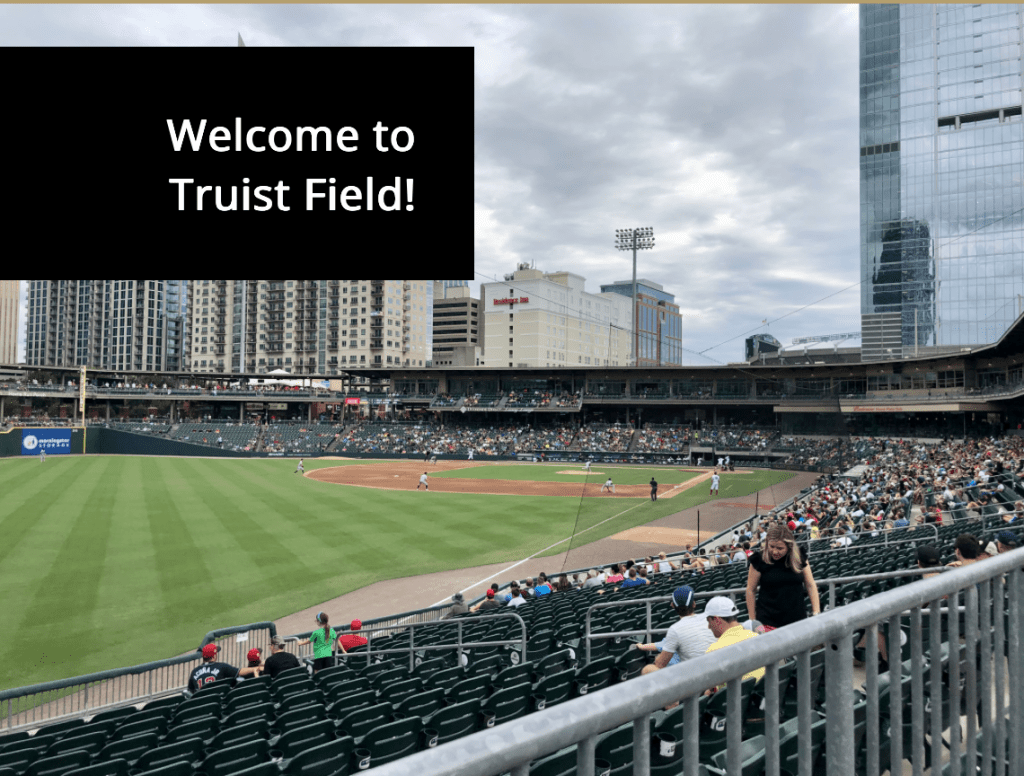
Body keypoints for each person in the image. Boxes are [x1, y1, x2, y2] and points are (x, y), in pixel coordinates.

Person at [745, 525, 821, 633]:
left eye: (780, 548)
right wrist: (752, 620)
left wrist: (816, 612)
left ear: (789, 546)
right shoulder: (759, 559)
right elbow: (750, 590)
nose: (775, 551)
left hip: (797, 619)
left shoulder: (799, 556)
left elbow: (810, 584)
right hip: (767, 621)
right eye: (771, 546)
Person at [639, 586, 716, 674]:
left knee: (648, 669)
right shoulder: (708, 619)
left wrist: (658, 658)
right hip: (716, 670)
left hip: (694, 678)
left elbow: (660, 664)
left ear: (672, 605)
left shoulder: (675, 629)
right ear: (694, 604)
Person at [703, 597, 765, 693]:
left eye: (709, 621)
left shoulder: (714, 651)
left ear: (716, 619)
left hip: (737, 703)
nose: (709, 626)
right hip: (761, 698)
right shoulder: (756, 637)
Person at [187, 643, 260, 695]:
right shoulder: (222, 667)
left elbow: (190, 691)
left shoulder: (194, 671)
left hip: (202, 704)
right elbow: (240, 672)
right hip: (218, 701)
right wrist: (255, 669)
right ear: (214, 656)